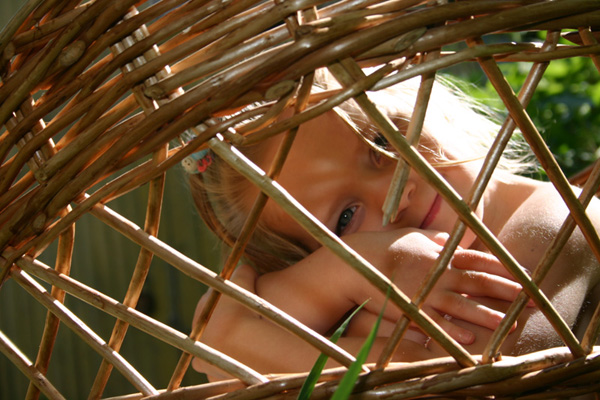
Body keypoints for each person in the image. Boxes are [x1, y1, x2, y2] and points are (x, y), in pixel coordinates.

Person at [186, 70, 600, 380]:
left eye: (382, 141)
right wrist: (344, 272)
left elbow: (475, 383)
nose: (394, 193)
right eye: (346, 217)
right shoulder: (377, 296)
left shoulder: (558, 218)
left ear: (415, 93)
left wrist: (238, 342)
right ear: (313, 255)